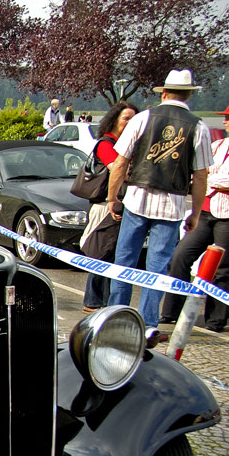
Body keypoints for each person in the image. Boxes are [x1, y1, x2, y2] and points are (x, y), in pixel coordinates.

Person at [104, 69, 213, 346]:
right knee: (156, 268)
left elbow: (120, 162)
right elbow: (201, 176)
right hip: (171, 205)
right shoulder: (198, 127)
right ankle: (148, 323)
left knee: (124, 262)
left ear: (163, 93)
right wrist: (196, 213)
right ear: (189, 95)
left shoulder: (142, 118)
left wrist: (112, 197)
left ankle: (116, 315)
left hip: (137, 198)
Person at [160, 99, 229, 332]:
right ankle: (170, 312)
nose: (224, 120)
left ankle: (216, 320)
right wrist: (206, 179)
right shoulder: (220, 145)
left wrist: (206, 181)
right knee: (180, 257)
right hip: (207, 211)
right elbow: (202, 170)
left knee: (223, 267)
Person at [80, 100, 139, 312]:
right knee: (101, 252)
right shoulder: (106, 144)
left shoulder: (130, 145)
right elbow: (117, 169)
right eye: (126, 118)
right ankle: (94, 302)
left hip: (121, 205)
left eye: (134, 119)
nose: (130, 123)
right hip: (105, 205)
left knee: (112, 254)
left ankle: (102, 302)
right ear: (114, 120)